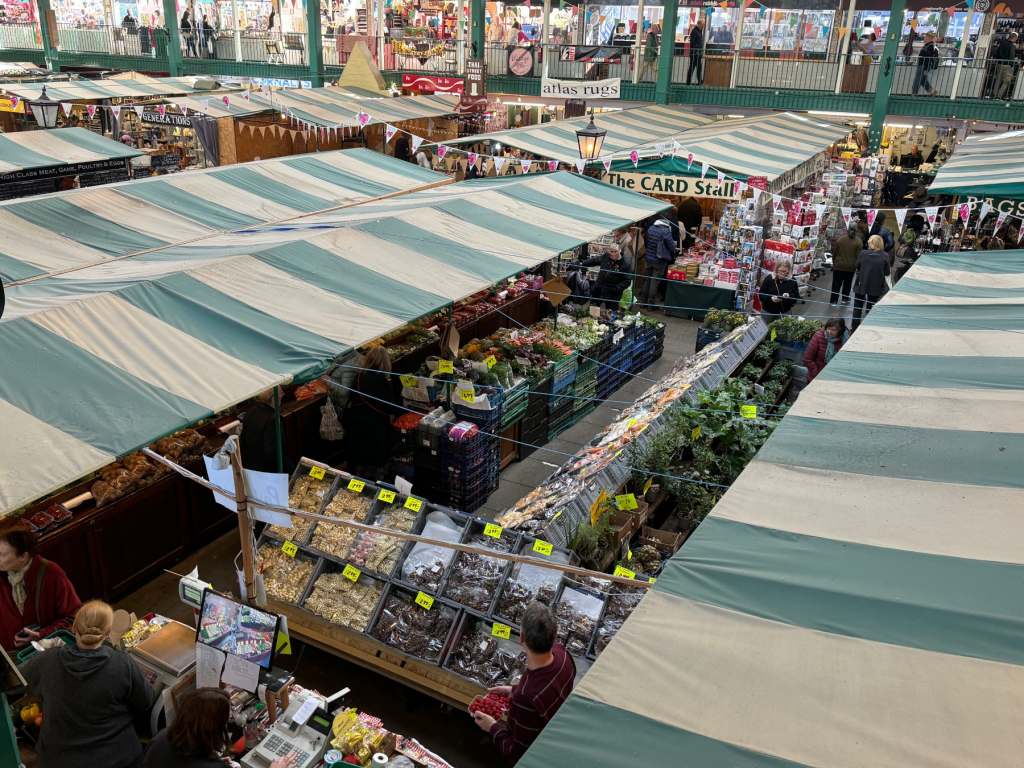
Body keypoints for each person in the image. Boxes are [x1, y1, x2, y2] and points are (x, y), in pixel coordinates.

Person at [22, 600, 154, 768]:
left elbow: (15, 681)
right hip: (117, 759)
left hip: (58, 761)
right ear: (107, 634)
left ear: (74, 628)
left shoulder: (47, 661)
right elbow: (146, 702)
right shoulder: (122, 664)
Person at [473, 602, 575, 763]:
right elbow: (546, 687)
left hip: (540, 754)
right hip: (558, 734)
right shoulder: (564, 656)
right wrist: (512, 689)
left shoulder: (525, 697)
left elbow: (516, 752)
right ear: (554, 636)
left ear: (521, 637)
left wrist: (492, 727)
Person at [0, 522, 80, 651]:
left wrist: (40, 634)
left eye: (2, 554)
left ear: (23, 556)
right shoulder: (3, 574)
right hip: (12, 655)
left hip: (44, 651)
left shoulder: (52, 574)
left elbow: (74, 616)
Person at [341, 347, 403, 480]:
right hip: (374, 426)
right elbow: (389, 405)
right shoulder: (381, 379)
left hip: (356, 423)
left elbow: (352, 396)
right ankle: (373, 484)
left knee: (359, 457)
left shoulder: (360, 376)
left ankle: (355, 481)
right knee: (375, 461)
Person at [238, 386, 289, 474]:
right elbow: (273, 453)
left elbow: (243, 442)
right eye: (281, 395)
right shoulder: (273, 419)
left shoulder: (251, 411)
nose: (282, 397)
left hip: (250, 468)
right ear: (274, 398)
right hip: (267, 472)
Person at [852, 234, 890, 330]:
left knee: (857, 307)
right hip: (876, 286)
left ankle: (854, 328)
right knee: (871, 308)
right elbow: (887, 272)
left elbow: (857, 266)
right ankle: (866, 328)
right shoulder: (885, 255)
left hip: (861, 283)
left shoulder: (863, 253)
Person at [579, 245, 634, 309]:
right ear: (609, 252)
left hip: (613, 293)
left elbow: (627, 281)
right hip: (599, 288)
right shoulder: (606, 256)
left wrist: (616, 288)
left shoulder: (625, 263)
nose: (613, 254)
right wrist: (584, 264)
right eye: (611, 251)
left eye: (615, 251)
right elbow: (594, 260)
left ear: (619, 251)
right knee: (593, 309)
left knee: (611, 312)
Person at [641, 216, 677, 307]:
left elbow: (646, 242)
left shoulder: (651, 228)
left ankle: (642, 302)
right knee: (654, 281)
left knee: (647, 279)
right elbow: (671, 247)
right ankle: (650, 304)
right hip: (659, 259)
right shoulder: (665, 231)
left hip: (648, 258)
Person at [830, 224, 861, 306]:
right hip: (851, 267)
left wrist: (834, 263)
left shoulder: (840, 240)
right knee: (847, 284)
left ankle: (834, 301)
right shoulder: (858, 242)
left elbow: (835, 253)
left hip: (839, 266)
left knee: (836, 284)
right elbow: (859, 257)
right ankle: (845, 298)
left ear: (848, 229)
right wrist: (857, 267)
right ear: (856, 230)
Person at [992, 33, 1019, 100]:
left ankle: (994, 95)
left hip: (999, 64)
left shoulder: (1002, 43)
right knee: (1006, 81)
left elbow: (996, 53)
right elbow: (1011, 57)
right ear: (1014, 38)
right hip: (1007, 65)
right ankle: (999, 96)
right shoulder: (1012, 46)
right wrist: (1012, 65)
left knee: (998, 80)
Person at [687, 18, 705, 85]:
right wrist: (696, 50)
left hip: (697, 53)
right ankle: (688, 82)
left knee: (698, 68)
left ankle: (699, 82)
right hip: (694, 53)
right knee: (692, 68)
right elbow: (693, 43)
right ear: (699, 24)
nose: (703, 26)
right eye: (702, 25)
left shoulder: (699, 31)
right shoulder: (694, 31)